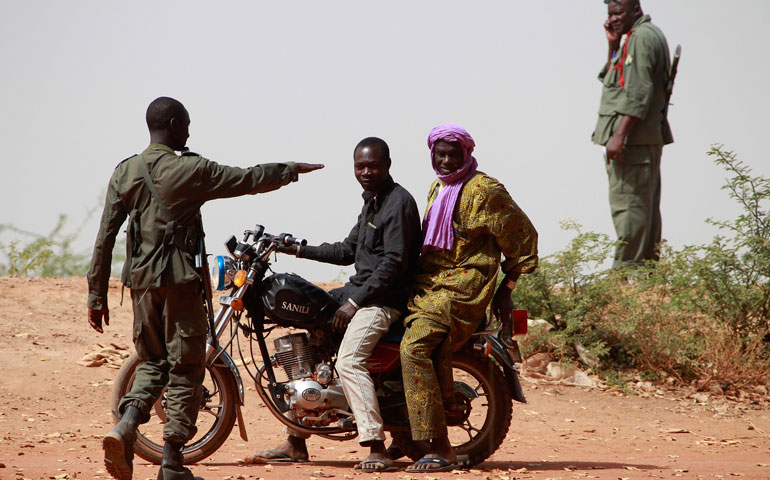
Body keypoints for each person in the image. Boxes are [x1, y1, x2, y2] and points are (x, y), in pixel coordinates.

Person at [87, 96, 323, 480]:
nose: (190, 132)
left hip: (141, 285)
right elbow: (247, 179)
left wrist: (96, 295)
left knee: (152, 362)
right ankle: (172, 461)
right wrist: (291, 169)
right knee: (187, 367)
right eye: (188, 125)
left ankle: (126, 424)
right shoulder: (191, 169)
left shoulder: (124, 171)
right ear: (176, 123)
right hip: (180, 283)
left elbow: (105, 239)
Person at [244, 137, 421, 473]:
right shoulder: (372, 202)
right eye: (360, 166)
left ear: (387, 165)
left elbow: (395, 263)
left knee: (350, 362)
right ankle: (296, 440)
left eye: (372, 165)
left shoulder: (399, 203)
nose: (365, 172)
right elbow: (345, 250)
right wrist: (296, 248)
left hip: (382, 301)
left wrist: (354, 301)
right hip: (361, 291)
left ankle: (375, 446)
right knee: (309, 333)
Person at [400, 123, 538, 472]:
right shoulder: (438, 187)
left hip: (463, 286)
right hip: (429, 281)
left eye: (453, 155)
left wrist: (509, 287)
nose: (446, 161)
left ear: (467, 154)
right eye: (440, 154)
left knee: (414, 348)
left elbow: (522, 235)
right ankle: (400, 434)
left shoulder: (486, 190)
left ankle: (441, 445)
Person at [592, 0, 674, 268]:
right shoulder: (636, 37)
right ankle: (646, 273)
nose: (613, 19)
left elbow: (639, 92)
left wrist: (619, 135)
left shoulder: (640, 38)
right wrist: (613, 46)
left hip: (633, 141)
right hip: (642, 139)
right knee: (643, 206)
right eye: (609, 14)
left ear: (635, 9)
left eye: (618, 13)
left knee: (628, 206)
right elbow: (615, 80)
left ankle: (626, 274)